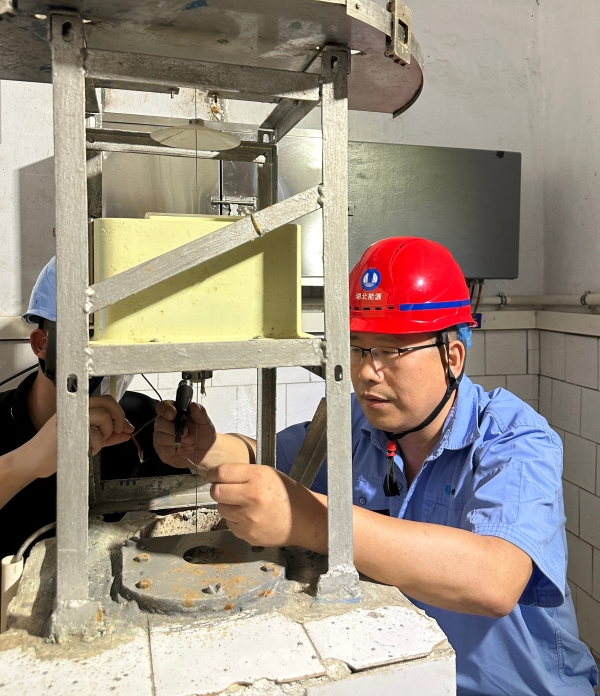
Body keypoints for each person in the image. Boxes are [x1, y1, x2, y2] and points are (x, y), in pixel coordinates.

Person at [154, 236, 598, 696]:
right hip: (412, 677)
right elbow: (271, 458)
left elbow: (496, 580)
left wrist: (313, 521)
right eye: (359, 349)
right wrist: (208, 447)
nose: (367, 372)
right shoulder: (356, 424)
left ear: (452, 357)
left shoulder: (515, 439)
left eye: (392, 351)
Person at [0, 257, 178, 562]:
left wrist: (208, 450)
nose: (109, 365)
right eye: (91, 342)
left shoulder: (142, 422)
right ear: (42, 344)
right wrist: (25, 463)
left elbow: (245, 462)